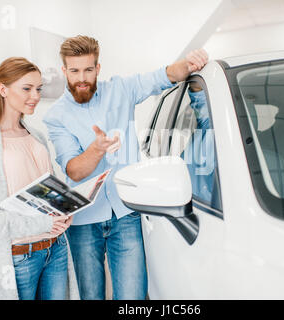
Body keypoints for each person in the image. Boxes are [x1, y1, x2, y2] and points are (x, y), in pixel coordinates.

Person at [43, 35, 208, 300]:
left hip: (126, 214)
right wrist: (97, 150)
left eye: (88, 69)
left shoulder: (122, 89)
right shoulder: (56, 116)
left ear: (98, 68)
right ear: (64, 71)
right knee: (90, 296)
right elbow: (73, 170)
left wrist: (190, 63)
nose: (81, 77)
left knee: (133, 299)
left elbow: (164, 76)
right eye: (74, 71)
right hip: (83, 221)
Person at [0, 57, 79, 300]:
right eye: (26, 88)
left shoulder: (36, 135)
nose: (35, 96)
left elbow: (48, 190)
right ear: (3, 89)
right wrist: (43, 224)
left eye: (38, 88)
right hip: (19, 257)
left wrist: (66, 208)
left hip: (56, 248)